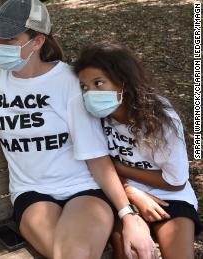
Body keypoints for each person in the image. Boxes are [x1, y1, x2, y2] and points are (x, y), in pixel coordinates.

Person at [0, 0, 156, 258]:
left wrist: (127, 215)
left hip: (82, 191)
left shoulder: (69, 82)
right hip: (31, 195)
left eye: (9, 39)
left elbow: (96, 157)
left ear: (37, 42)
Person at [74, 41, 201, 259]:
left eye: (99, 83)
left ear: (123, 82)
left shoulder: (161, 119)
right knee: (129, 252)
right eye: (85, 87)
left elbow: (175, 181)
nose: (90, 94)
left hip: (171, 196)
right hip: (121, 197)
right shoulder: (94, 118)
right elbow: (94, 170)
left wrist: (118, 167)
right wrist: (131, 192)